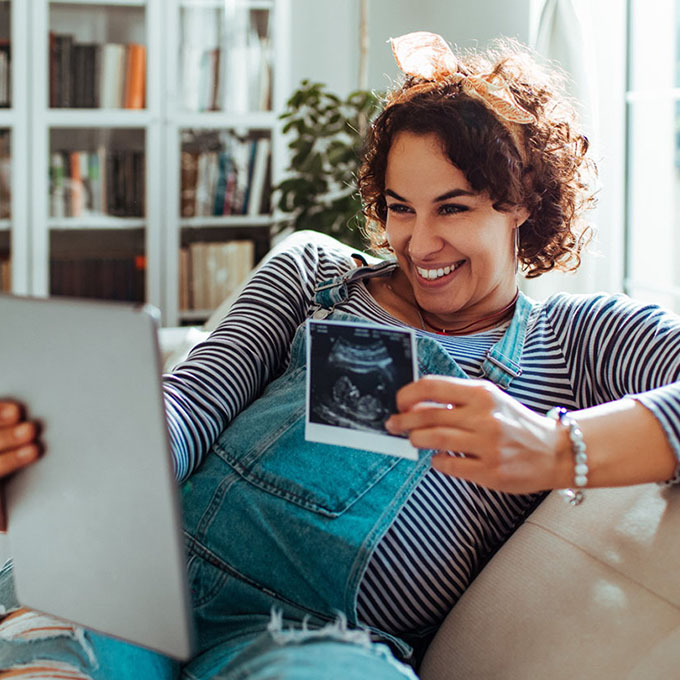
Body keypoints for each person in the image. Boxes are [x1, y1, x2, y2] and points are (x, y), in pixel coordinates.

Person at [1, 31, 679, 680]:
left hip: (313, 642)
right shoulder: (314, 274)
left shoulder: (578, 339)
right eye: (399, 208)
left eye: (453, 208)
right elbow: (192, 402)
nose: (417, 244)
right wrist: (71, 466)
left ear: (523, 203)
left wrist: (560, 448)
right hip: (135, 574)